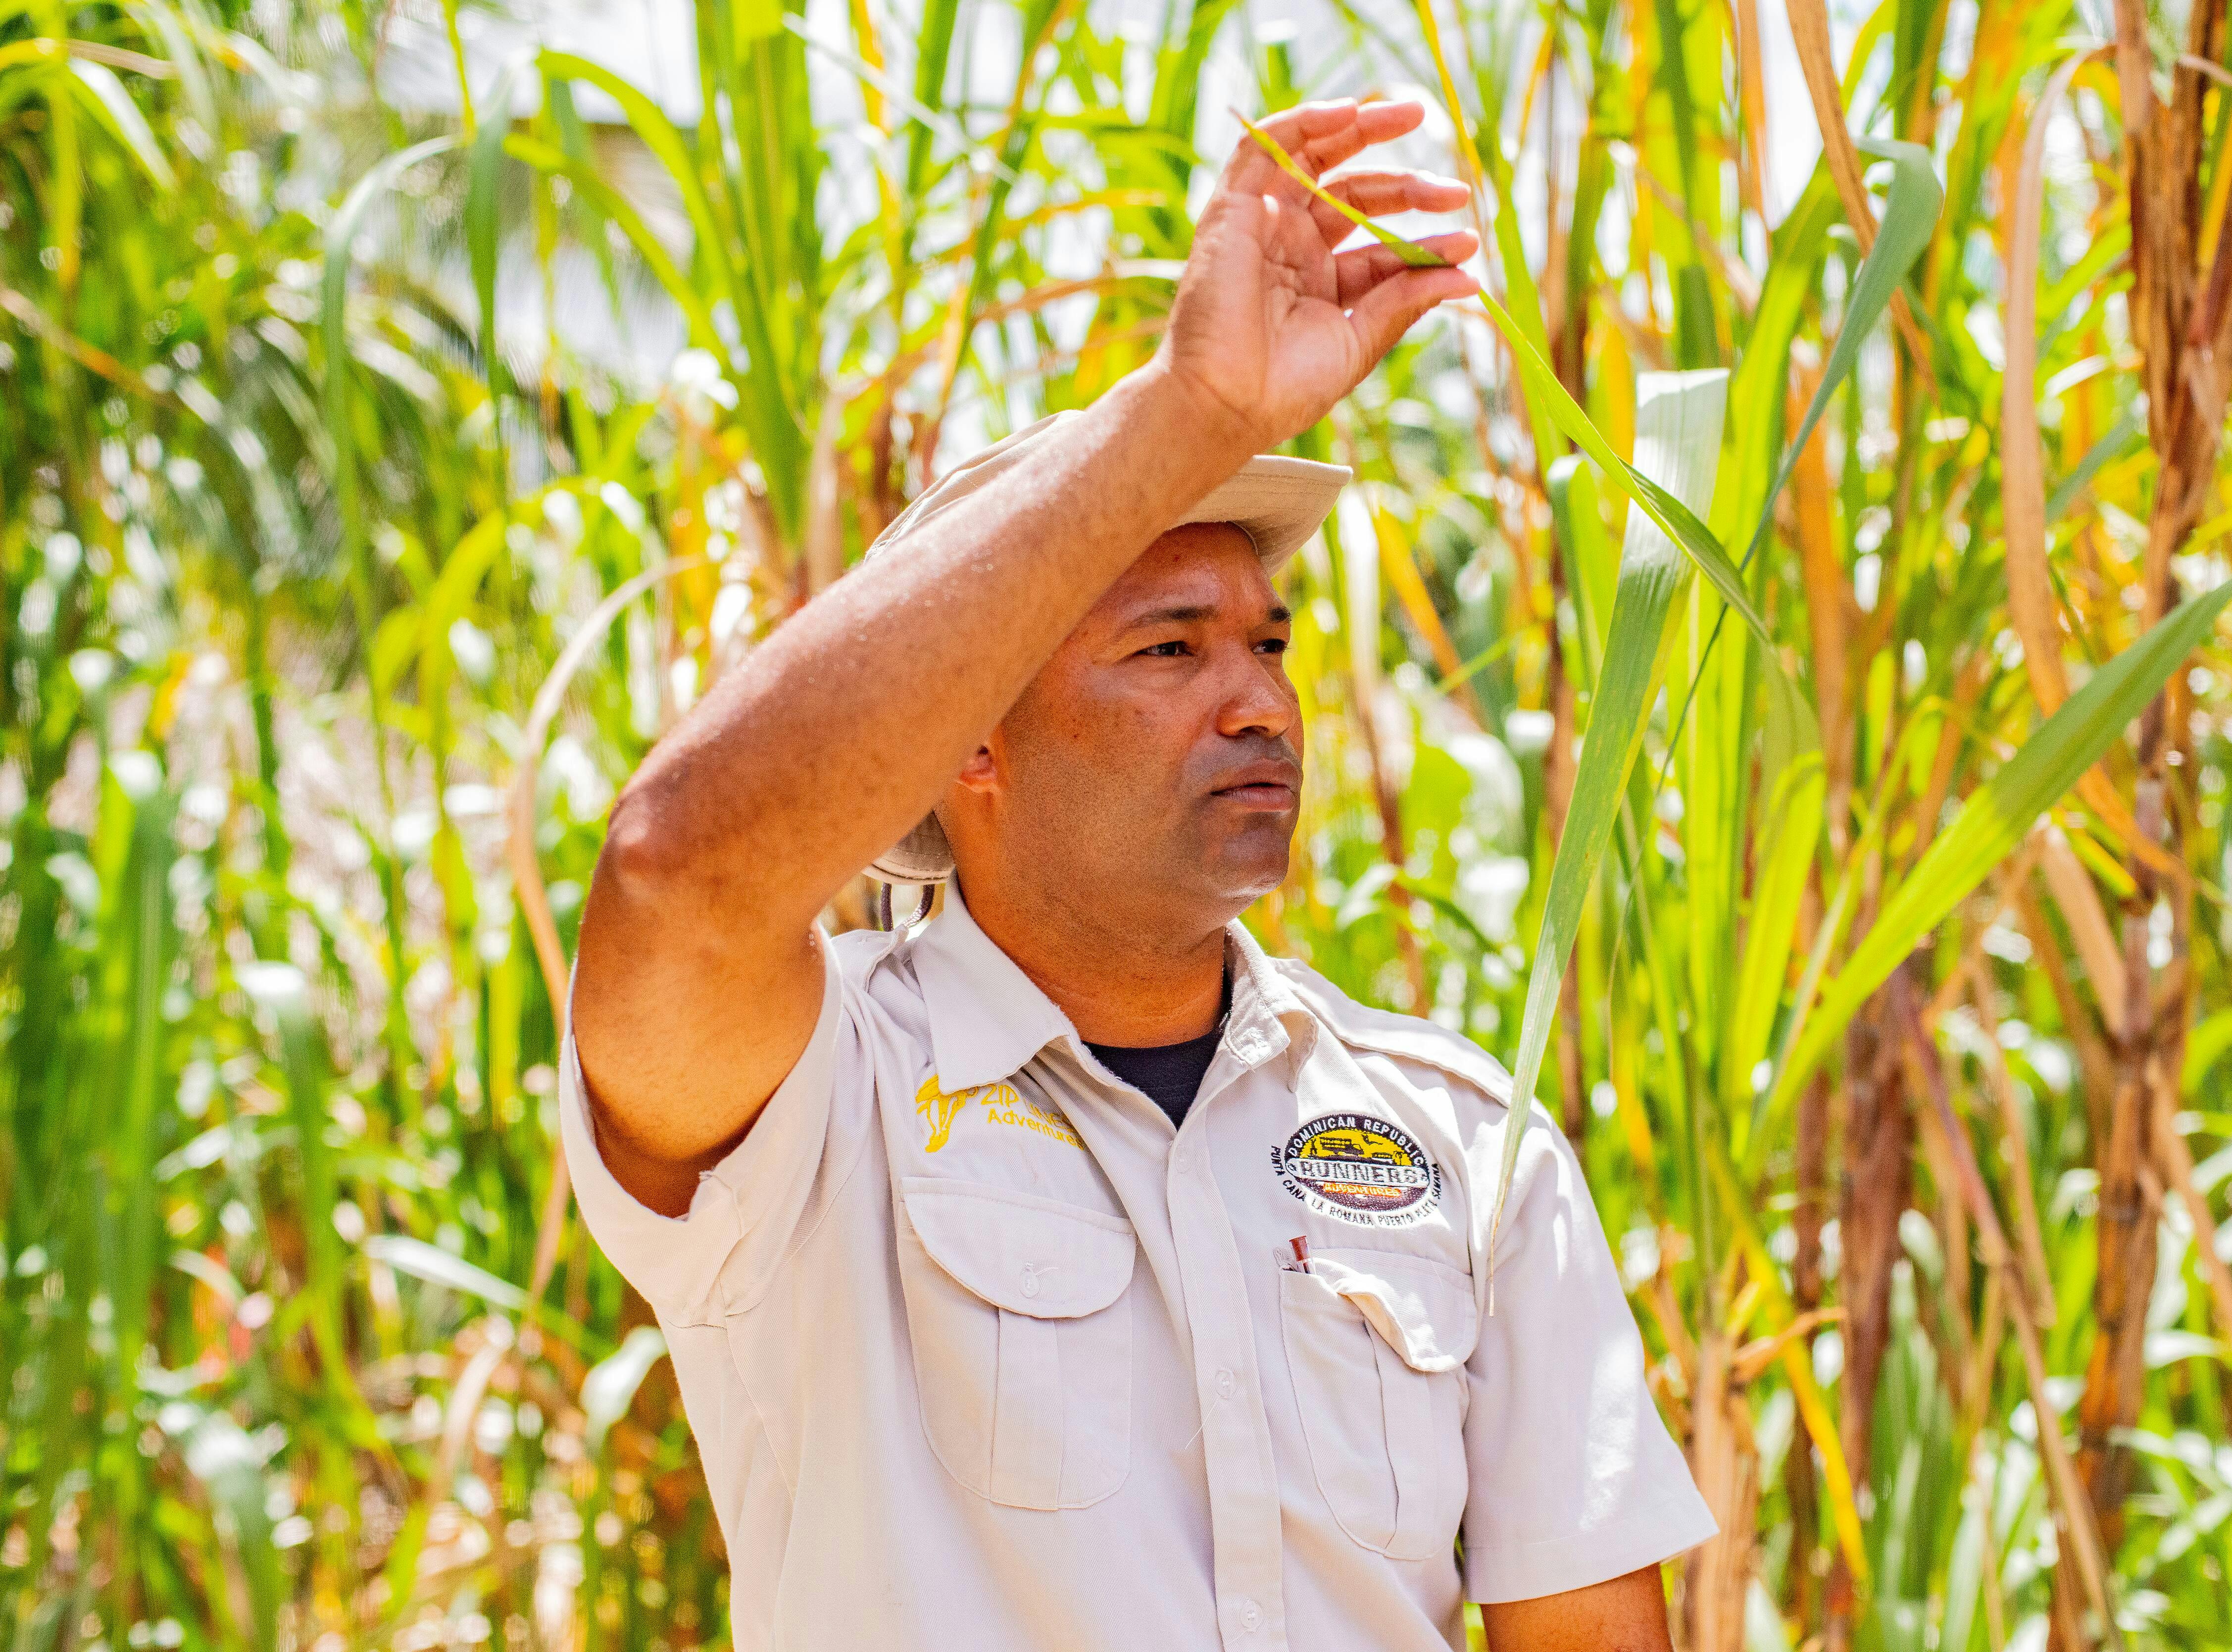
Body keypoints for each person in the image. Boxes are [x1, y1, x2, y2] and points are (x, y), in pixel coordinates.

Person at [566, 97, 1714, 1652]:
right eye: (1167, 648)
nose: (1256, 700)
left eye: (1267, 644)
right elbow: (669, 876)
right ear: (964, 743)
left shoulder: (1458, 1135)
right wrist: (1189, 412)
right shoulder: (816, 1111)